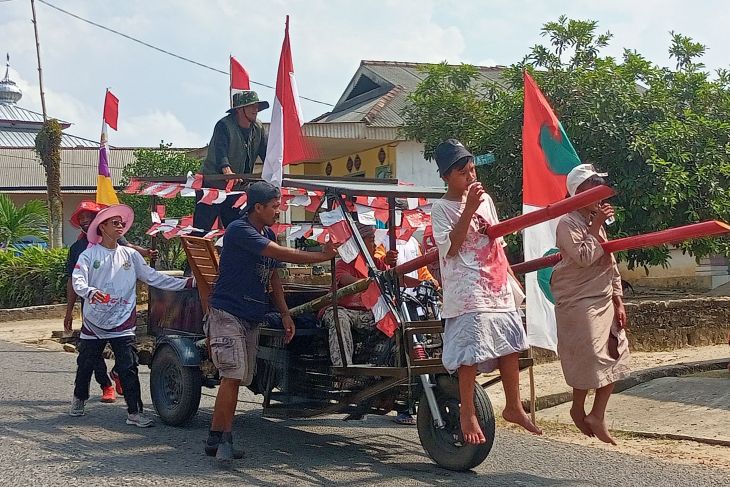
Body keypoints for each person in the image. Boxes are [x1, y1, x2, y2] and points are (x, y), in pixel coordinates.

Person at [205, 181, 340, 464]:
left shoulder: (266, 231)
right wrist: (321, 256)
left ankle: (215, 437)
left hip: (251, 315)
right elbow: (280, 255)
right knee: (232, 375)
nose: (279, 211)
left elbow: (274, 275)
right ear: (258, 207)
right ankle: (224, 442)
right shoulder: (239, 230)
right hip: (228, 313)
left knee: (239, 377)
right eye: (275, 206)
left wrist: (285, 313)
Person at [431, 139, 542, 445]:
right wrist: (468, 209)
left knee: (511, 342)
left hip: (494, 281)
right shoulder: (440, 208)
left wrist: (512, 282)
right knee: (470, 350)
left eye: (472, 169)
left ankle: (514, 405)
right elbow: (450, 248)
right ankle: (468, 411)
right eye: (463, 172)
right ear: (446, 177)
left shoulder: (487, 200)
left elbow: (497, 244)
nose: (470, 176)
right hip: (466, 287)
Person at [70, 204, 194, 427]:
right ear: (102, 227)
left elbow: (153, 277)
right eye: (114, 223)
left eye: (121, 223)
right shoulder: (89, 255)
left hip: (123, 320)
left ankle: (134, 412)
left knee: (128, 367)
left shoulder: (131, 255)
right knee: (86, 363)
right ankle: (79, 397)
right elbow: (78, 280)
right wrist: (90, 292)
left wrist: (185, 283)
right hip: (94, 321)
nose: (120, 226)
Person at [551, 164, 630, 445]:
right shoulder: (567, 223)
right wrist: (596, 226)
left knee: (616, 353)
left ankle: (597, 413)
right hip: (578, 299)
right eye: (593, 189)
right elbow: (584, 257)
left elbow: (610, 261)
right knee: (589, 357)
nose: (600, 195)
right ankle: (577, 407)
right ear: (579, 194)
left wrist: (619, 300)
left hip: (604, 296)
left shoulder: (595, 220)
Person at [64, 200, 159, 401]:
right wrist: (69, 311)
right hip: (92, 308)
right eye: (81, 218)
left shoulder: (119, 244)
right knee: (90, 355)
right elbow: (73, 280)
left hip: (121, 310)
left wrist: (146, 253)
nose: (84, 221)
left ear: (97, 220)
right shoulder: (79, 249)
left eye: (88, 217)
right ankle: (105, 386)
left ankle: (120, 379)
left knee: (127, 355)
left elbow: (130, 249)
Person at [321, 223, 404, 368]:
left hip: (368, 313)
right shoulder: (343, 264)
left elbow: (394, 279)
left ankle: (388, 363)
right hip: (343, 310)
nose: (375, 244)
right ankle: (343, 369)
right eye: (371, 239)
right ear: (359, 243)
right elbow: (347, 281)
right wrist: (375, 281)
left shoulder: (377, 264)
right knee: (339, 318)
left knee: (397, 318)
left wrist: (391, 265)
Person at [195, 90, 269, 233]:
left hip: (237, 187)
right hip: (213, 185)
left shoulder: (258, 128)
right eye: (252, 106)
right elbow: (220, 151)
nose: (256, 110)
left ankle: (234, 255)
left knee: (237, 229)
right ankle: (196, 253)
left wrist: (274, 170)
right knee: (201, 229)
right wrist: (226, 168)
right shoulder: (223, 125)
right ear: (240, 109)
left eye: (257, 107)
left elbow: (265, 152)